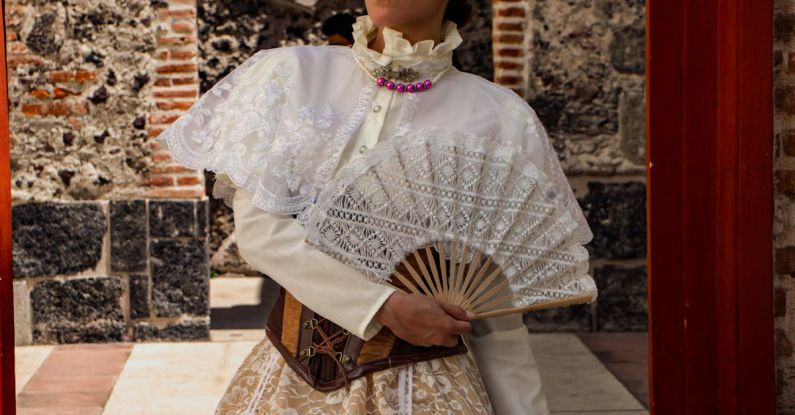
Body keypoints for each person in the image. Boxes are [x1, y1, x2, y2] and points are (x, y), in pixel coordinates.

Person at [156, 0, 593, 413]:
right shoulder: (290, 75)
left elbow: (499, 323)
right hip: (289, 383)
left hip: (431, 392)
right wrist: (383, 306)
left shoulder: (501, 118)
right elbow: (260, 234)